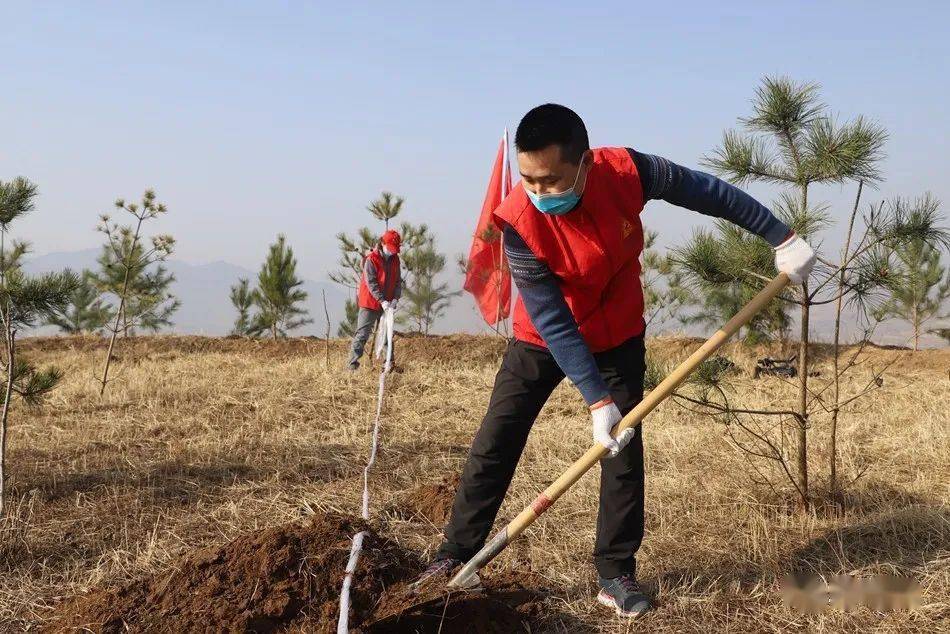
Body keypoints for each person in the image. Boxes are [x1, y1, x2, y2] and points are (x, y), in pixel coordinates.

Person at [417, 104, 816, 618]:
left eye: (551, 180)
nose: (538, 194)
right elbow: (550, 316)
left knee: (623, 452)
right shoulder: (518, 221)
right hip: (543, 338)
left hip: (618, 332)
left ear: (585, 163)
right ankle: (454, 555)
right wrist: (595, 398)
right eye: (528, 181)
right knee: (498, 437)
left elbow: (707, 192)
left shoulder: (631, 171)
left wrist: (779, 235)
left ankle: (615, 572)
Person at [347, 229, 402, 371]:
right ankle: (352, 366)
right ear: (382, 243)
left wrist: (395, 298)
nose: (392, 252)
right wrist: (381, 300)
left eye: (394, 249)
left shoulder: (395, 260)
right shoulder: (372, 260)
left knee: (387, 333)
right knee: (363, 334)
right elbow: (371, 283)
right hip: (370, 303)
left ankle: (389, 364)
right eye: (390, 248)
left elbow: (397, 281)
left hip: (388, 304)